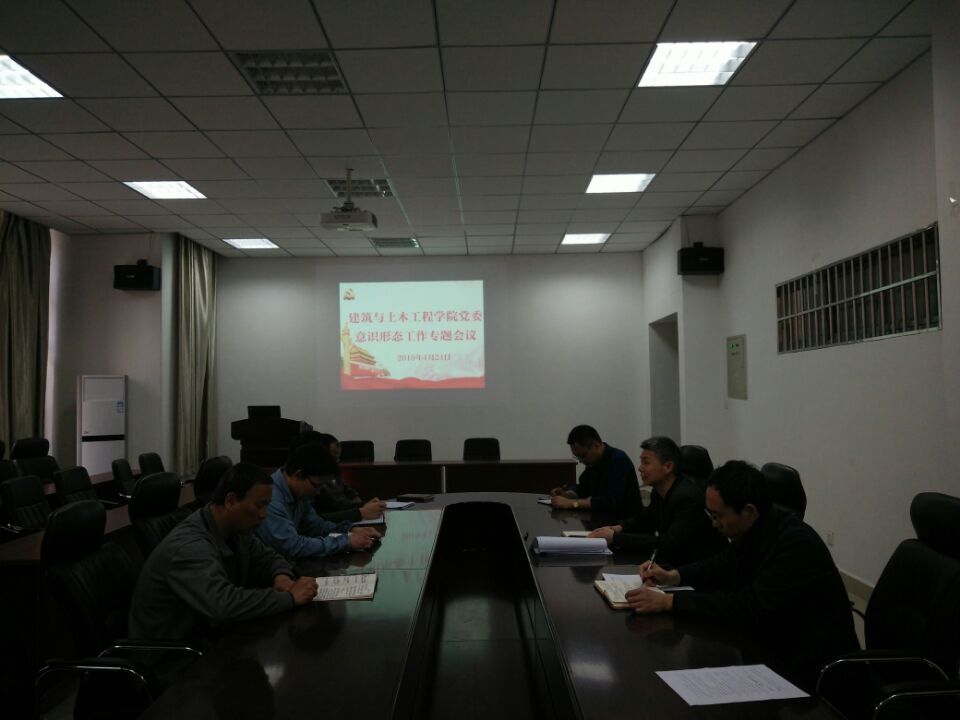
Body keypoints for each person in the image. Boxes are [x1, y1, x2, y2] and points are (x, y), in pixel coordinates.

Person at [625, 460, 858, 690]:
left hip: (816, 670)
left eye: (718, 516)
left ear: (749, 511)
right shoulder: (757, 526)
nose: (714, 524)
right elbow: (720, 565)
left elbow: (749, 606)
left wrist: (669, 601)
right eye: (710, 515)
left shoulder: (796, 544)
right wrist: (672, 576)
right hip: (773, 643)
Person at [128, 463, 318, 641]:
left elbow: (268, 557)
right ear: (231, 501)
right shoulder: (190, 546)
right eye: (259, 505)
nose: (264, 515)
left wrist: (281, 576)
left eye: (267, 505)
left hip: (206, 638)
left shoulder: (235, 529)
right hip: (173, 655)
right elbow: (224, 604)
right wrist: (289, 598)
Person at [587, 436, 725, 566]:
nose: (640, 468)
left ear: (668, 466)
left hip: (700, 570)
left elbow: (669, 543)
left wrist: (615, 538)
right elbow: (644, 520)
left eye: (646, 462)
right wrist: (618, 528)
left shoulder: (687, 497)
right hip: (676, 565)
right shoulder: (659, 491)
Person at [257, 442, 382, 559]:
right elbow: (291, 546)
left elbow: (316, 526)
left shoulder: (299, 493)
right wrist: (347, 542)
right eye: (316, 486)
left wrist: (350, 530)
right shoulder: (271, 498)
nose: (317, 493)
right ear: (298, 475)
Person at [289, 431, 386, 523]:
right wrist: (360, 512)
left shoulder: (314, 481)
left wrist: (362, 507)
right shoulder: (304, 485)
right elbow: (318, 519)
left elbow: (319, 522)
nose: (318, 491)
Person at [549, 425, 640, 516]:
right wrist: (568, 494)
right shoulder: (593, 462)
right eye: (577, 457)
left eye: (582, 456)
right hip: (600, 519)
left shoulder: (619, 460)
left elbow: (611, 501)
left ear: (596, 445)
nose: (580, 461)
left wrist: (572, 503)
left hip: (623, 521)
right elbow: (583, 487)